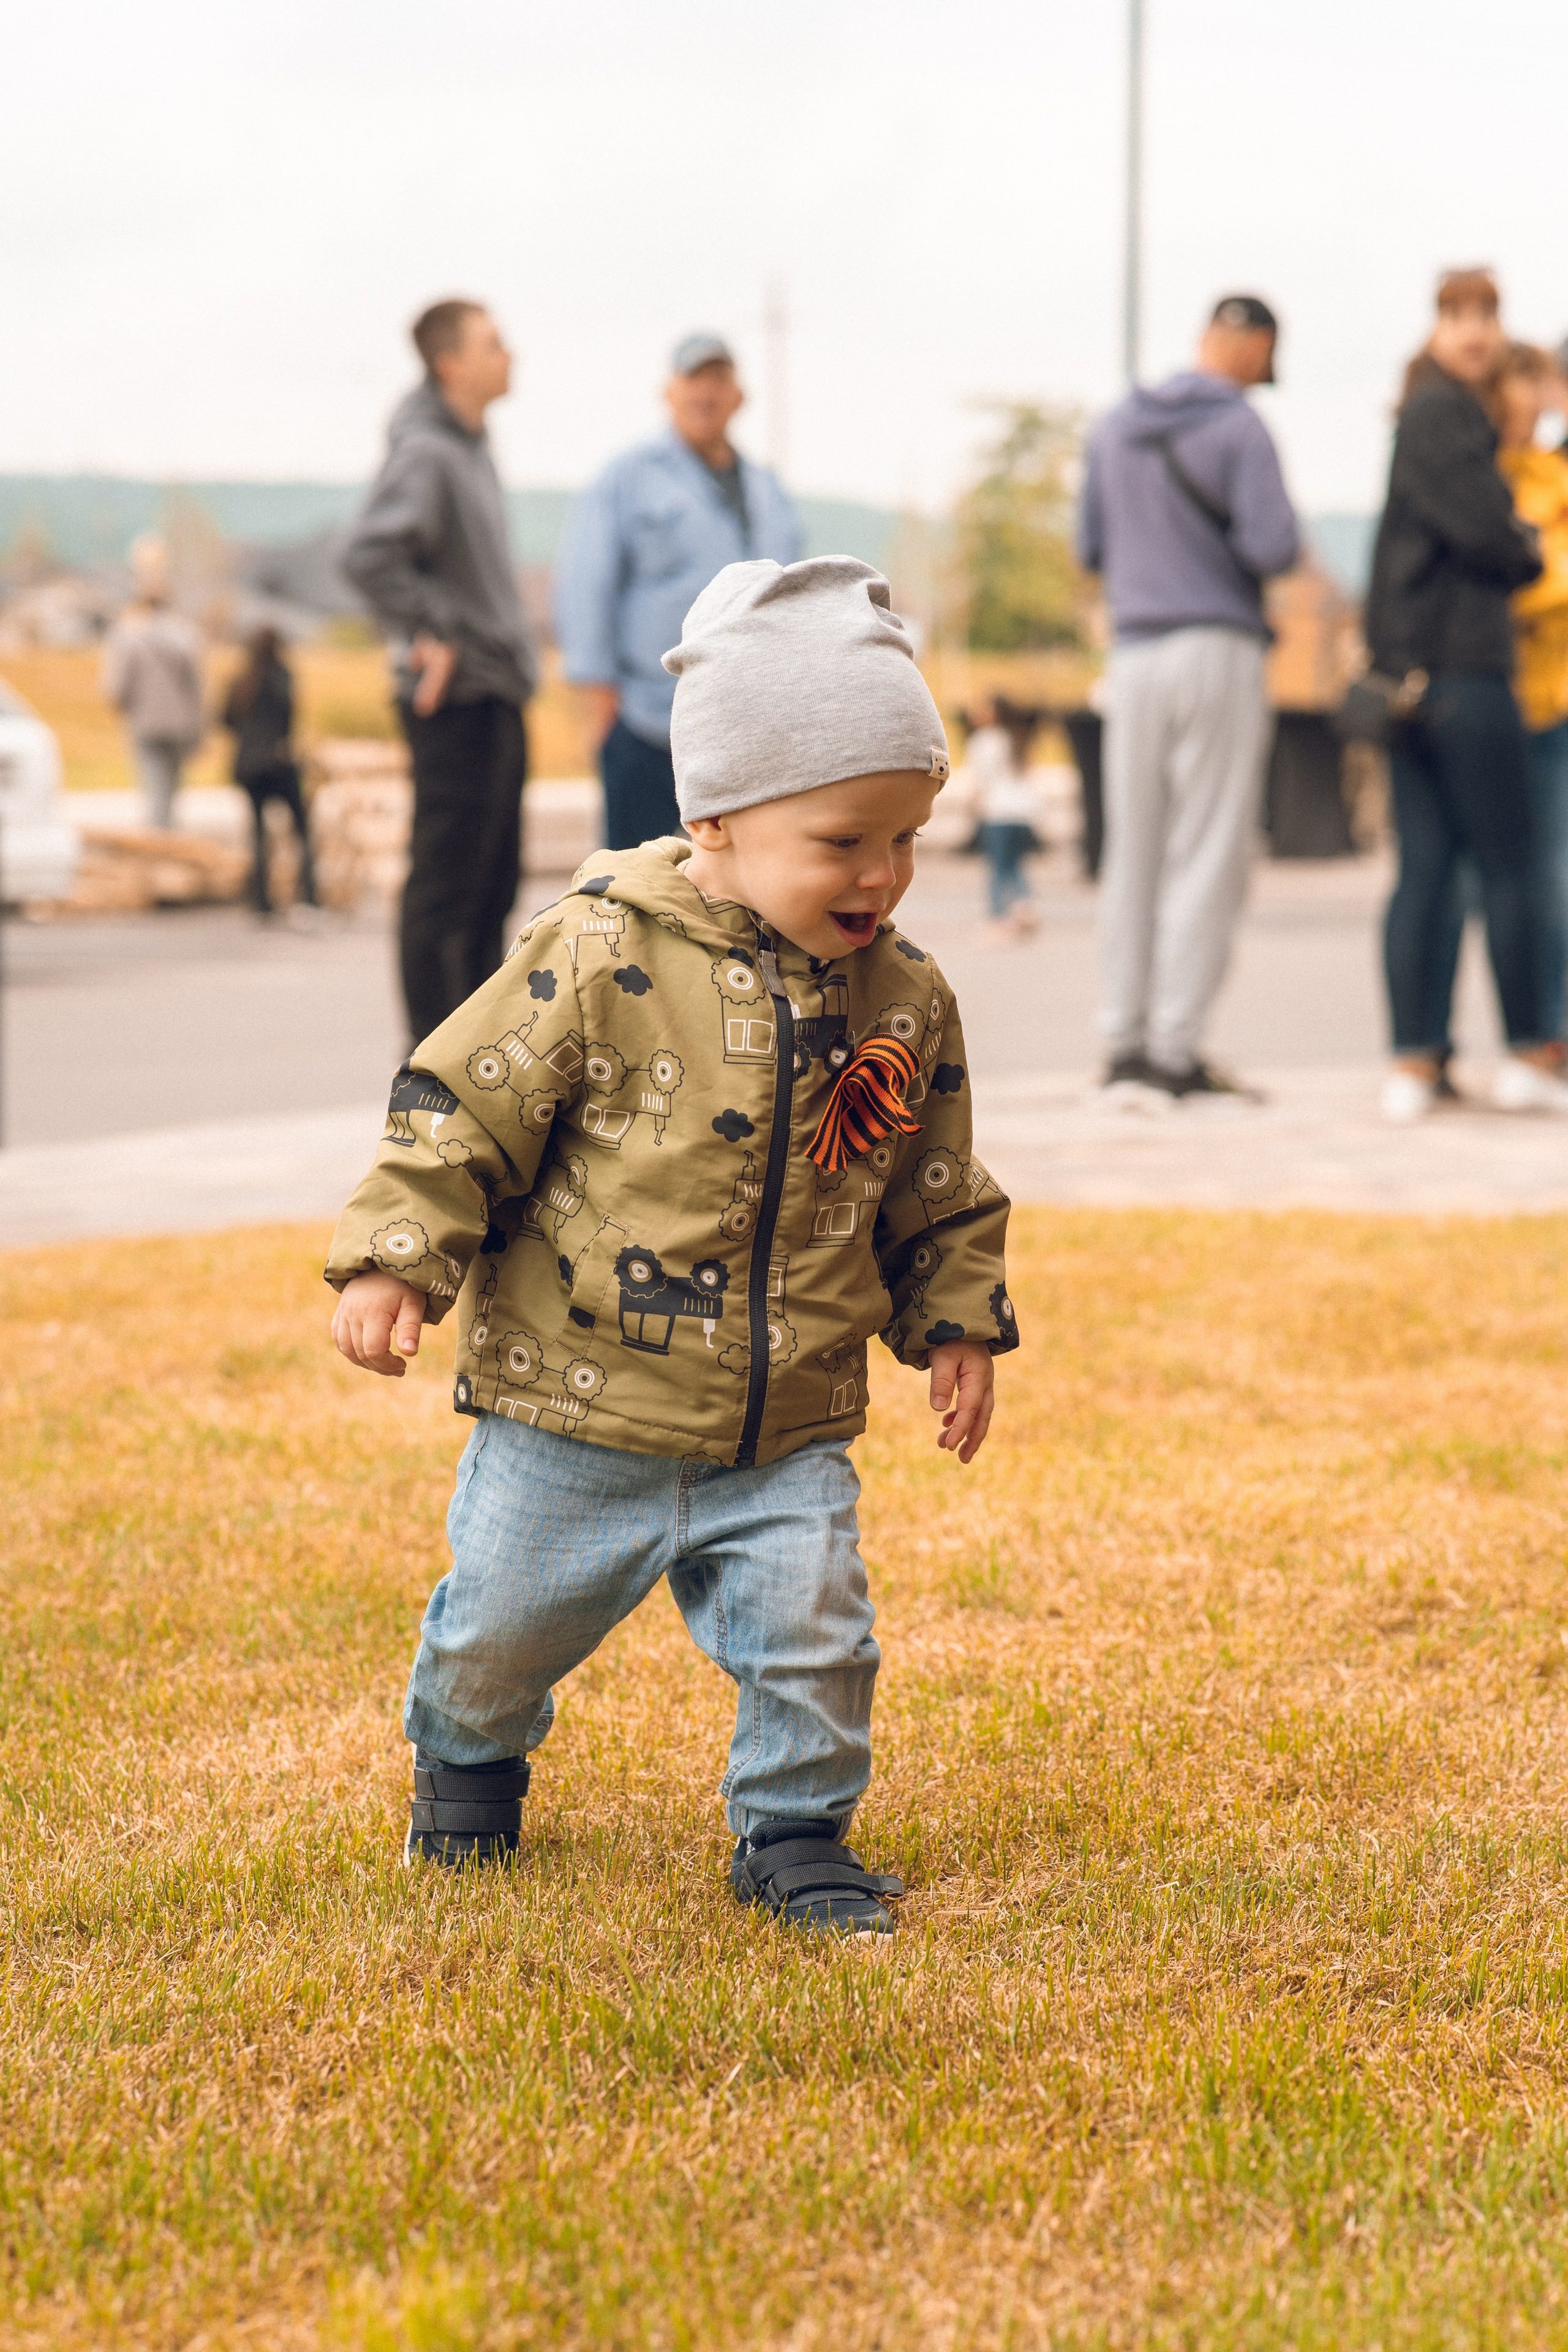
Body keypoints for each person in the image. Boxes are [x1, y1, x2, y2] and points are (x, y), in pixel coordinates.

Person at [325, 554, 1016, 1937]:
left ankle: (794, 1830)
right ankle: (467, 1772)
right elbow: (466, 1106)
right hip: (573, 1409)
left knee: (818, 1638)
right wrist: (401, 1253)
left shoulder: (902, 993)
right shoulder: (593, 956)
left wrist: (954, 1317)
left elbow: (932, 1178)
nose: (879, 874)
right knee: (497, 1629)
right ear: (715, 817)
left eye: (905, 838)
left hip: (786, 1422)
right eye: (841, 841)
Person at [1077, 293, 1300, 1103]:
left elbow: (1089, 544)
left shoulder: (1112, 426)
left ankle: (1123, 1042)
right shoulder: (1241, 428)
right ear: (1252, 346)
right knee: (1207, 852)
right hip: (1217, 645)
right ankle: (1174, 1049)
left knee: (1132, 849)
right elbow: (1274, 544)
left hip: (1133, 650)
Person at [1365, 271, 1567, 1123]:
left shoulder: (1423, 413)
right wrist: (1521, 545)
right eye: (1459, 314)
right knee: (1513, 868)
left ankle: (1418, 1064)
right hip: (1470, 677)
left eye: (1487, 314)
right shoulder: (1446, 414)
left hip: (1413, 685)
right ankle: (1526, 1053)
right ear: (1436, 326)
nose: (1476, 331)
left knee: (1429, 870)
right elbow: (1490, 532)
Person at [342, 299, 536, 1044]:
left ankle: (477, 1061)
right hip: (458, 698)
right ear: (450, 363)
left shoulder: (468, 446)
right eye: (494, 342)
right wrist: (437, 628)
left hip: (496, 690)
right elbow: (367, 555)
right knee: (446, 893)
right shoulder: (429, 452)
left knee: (490, 892)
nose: (509, 353)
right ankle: (432, 1067)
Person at [554, 333, 802, 851]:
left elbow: (791, 592)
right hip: (646, 720)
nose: (705, 394)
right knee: (635, 884)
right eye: (693, 380)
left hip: (744, 727)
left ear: (739, 396)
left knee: (740, 883)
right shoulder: (627, 477)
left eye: (719, 380)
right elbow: (587, 584)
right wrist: (601, 703)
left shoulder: (765, 488)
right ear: (668, 391)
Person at [100, 535, 205, 830]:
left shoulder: (129, 633)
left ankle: (160, 844)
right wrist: (198, 731)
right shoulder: (185, 633)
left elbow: (115, 687)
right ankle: (168, 837)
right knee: (172, 795)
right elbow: (196, 687)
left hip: (145, 723)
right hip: (181, 725)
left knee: (154, 796)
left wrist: (126, 706)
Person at [220, 627, 319, 922]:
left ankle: (262, 903)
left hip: (248, 765)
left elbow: (226, 721)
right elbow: (290, 718)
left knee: (259, 833)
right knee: (301, 831)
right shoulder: (282, 678)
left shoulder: (239, 681)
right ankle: (309, 898)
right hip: (279, 761)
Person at [960, 696, 1041, 938]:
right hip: (1024, 812)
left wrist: (973, 807)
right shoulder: (1015, 738)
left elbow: (981, 779)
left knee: (997, 866)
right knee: (1014, 863)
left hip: (998, 812)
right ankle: (1026, 905)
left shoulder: (983, 740)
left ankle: (998, 917)